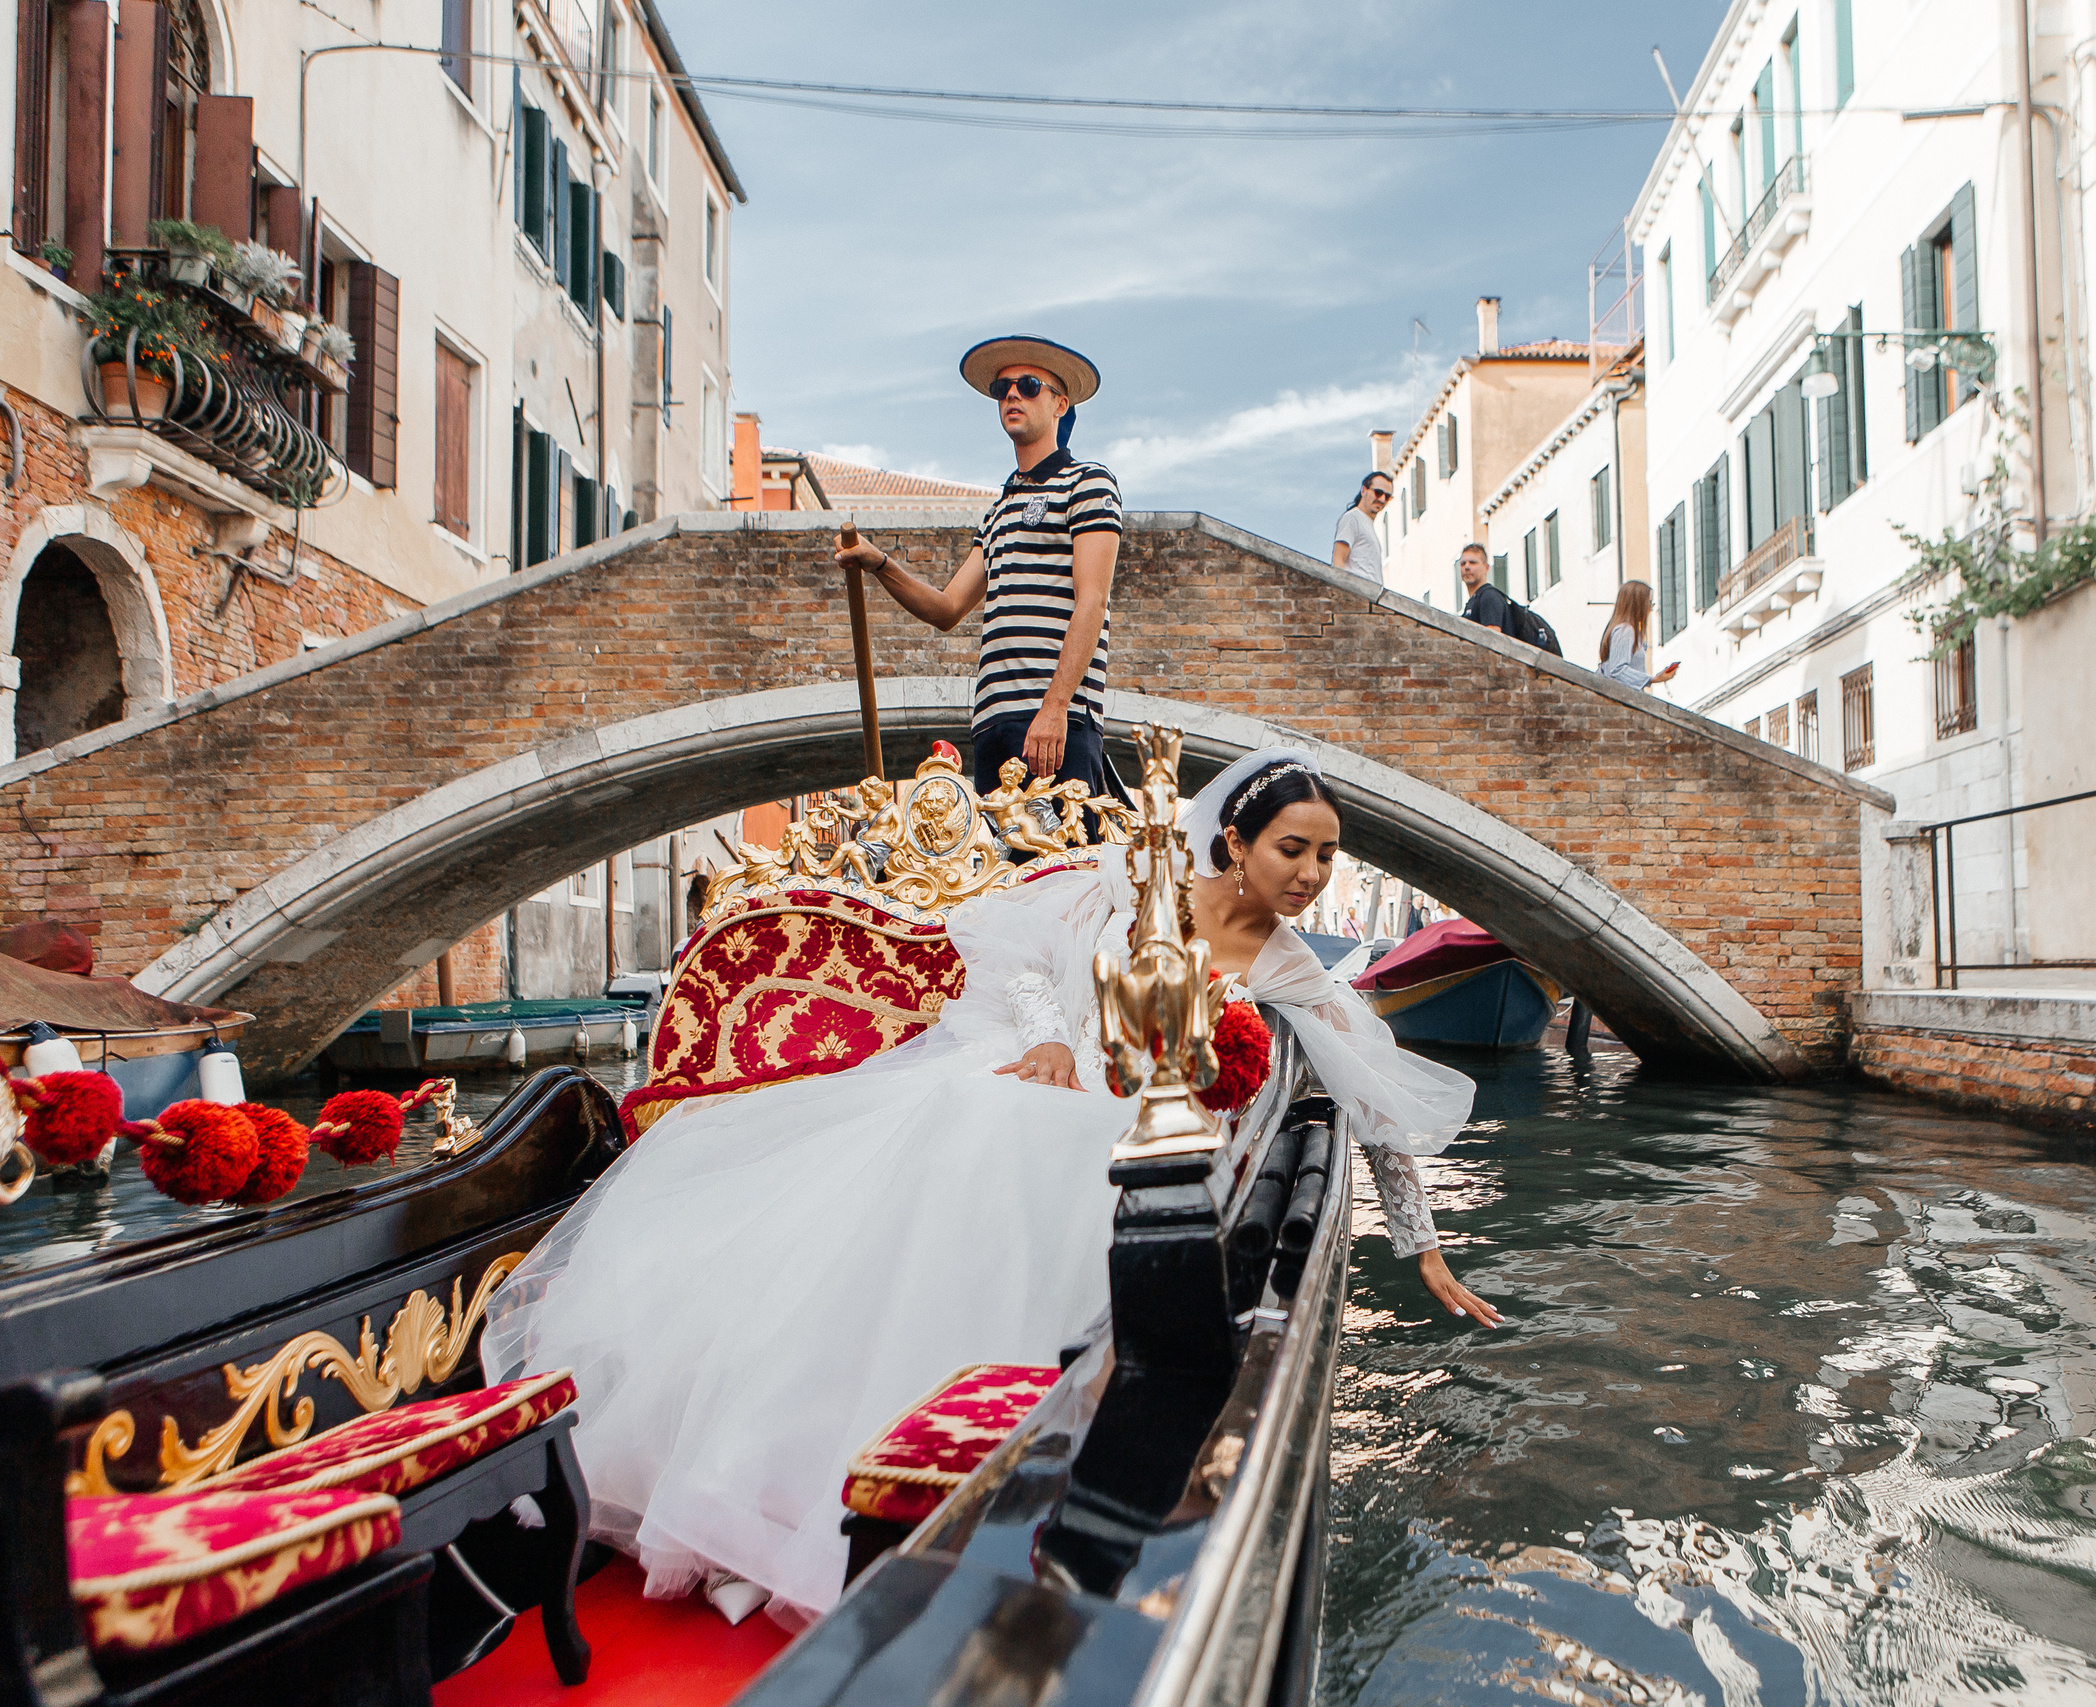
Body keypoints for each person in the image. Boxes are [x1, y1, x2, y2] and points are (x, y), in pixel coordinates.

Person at [479, 748, 1500, 1631]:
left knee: (1047, 1154)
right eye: (1295, 850)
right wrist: (1050, 1039)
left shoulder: (1291, 969)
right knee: (983, 1122)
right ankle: (791, 1484)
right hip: (1028, 1071)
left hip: (1127, 1131)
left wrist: (1423, 1245)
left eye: (1327, 855)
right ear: (1234, 840)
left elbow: (1370, 1103)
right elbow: (1011, 953)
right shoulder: (1126, 882)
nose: (1314, 876)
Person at [836, 335, 1121, 804]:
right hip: (993, 724)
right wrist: (879, 564)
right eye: (1003, 387)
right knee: (1005, 876)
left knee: (1066, 871)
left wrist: (1054, 709)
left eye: (1029, 385)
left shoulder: (1088, 482)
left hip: (1055, 721)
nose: (1012, 394)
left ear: (1059, 404)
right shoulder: (998, 511)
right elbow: (947, 608)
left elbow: (1093, 602)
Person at [1598, 580, 1680, 693]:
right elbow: (1617, 670)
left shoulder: (1627, 631)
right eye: (1649, 602)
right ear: (1638, 605)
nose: (1651, 608)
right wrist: (1652, 680)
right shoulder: (1625, 631)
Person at [1331, 472, 1391, 582]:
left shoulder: (1367, 524)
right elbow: (1338, 561)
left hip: (1370, 595)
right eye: (1378, 493)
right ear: (1364, 490)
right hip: (1357, 594)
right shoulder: (1352, 518)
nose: (1382, 499)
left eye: (1387, 497)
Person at [1456, 542, 1507, 630]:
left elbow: (1493, 637)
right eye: (1463, 564)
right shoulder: (1473, 602)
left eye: (1473, 563)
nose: (1467, 567)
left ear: (1486, 568)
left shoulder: (1489, 596)